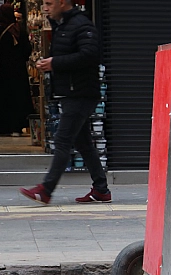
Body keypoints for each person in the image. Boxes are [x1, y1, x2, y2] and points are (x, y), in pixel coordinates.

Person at [19, 0, 111, 205]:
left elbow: (89, 55)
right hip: (71, 92)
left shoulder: (82, 25)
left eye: (49, 3)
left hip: (80, 93)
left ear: (62, 3)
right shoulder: (62, 26)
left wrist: (54, 63)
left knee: (62, 140)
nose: (45, 8)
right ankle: (101, 189)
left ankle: (46, 189)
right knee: (84, 143)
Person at [0, 3, 34, 137]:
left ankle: (3, 126)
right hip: (18, 72)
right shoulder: (19, 30)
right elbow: (27, 50)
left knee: (4, 99)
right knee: (17, 99)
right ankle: (17, 127)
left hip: (2, 73)